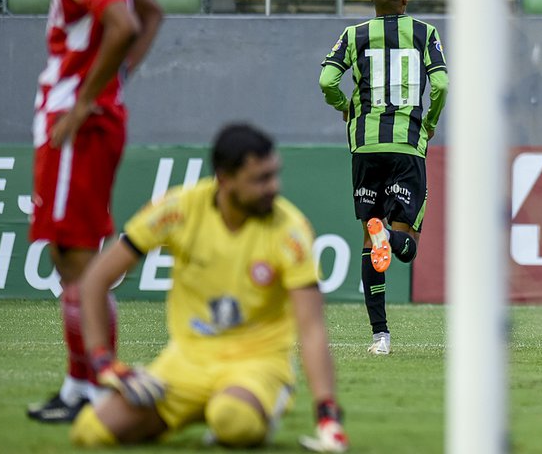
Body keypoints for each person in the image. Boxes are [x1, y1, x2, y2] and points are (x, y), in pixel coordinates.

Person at [70, 124, 348, 452]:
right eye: (260, 179)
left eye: (274, 175)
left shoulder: (291, 230)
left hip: (258, 363)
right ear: (225, 178)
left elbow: (312, 328)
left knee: (232, 420)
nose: (274, 187)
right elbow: (95, 281)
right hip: (185, 362)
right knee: (90, 432)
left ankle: (255, 405)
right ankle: (188, 411)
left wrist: (327, 413)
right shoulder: (177, 209)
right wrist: (104, 361)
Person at [21, 0, 164, 422]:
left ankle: (95, 382)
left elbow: (125, 23)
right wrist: (116, 83)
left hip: (76, 123)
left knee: (78, 259)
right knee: (69, 255)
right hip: (88, 119)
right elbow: (151, 13)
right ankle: (81, 383)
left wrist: (87, 99)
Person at [318, 0, 448, 355]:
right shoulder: (425, 33)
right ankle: (386, 233)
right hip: (407, 145)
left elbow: (327, 80)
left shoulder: (353, 35)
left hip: (365, 147)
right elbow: (440, 85)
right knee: (405, 245)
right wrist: (430, 123)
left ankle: (381, 337)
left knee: (367, 241)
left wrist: (345, 107)